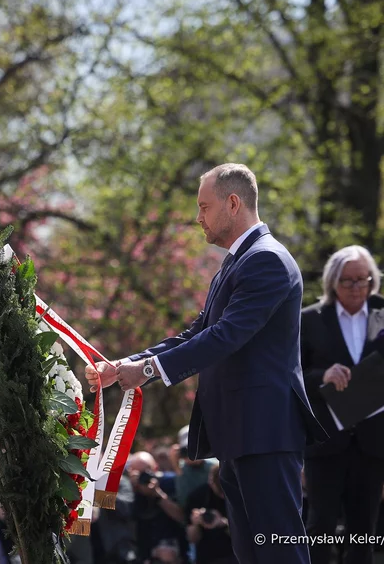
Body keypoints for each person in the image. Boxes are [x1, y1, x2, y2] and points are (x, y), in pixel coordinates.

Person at [86, 163, 327, 564]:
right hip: (240, 434)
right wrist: (126, 364)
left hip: (264, 433)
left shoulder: (266, 260)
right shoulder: (236, 263)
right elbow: (197, 332)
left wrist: (145, 373)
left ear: (233, 204)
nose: (198, 218)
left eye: (204, 206)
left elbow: (225, 336)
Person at [301, 245, 384, 564]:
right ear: (333, 282)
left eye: (362, 280)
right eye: (347, 281)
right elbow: (292, 376)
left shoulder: (381, 314)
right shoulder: (311, 320)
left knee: (363, 529)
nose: (355, 288)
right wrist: (324, 375)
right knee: (319, 526)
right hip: (326, 441)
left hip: (372, 441)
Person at [186, 463, 237, 564]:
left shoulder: (240, 495)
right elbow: (191, 538)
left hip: (236, 555)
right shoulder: (198, 497)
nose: (223, 495)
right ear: (210, 482)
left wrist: (223, 523)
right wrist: (196, 523)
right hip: (208, 556)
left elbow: (253, 536)